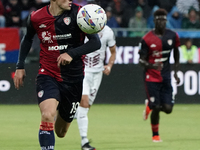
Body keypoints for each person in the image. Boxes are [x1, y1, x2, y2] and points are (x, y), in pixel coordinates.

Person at [13, 0, 101, 150]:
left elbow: (95, 43)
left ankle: (62, 108)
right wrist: (20, 66)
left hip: (74, 79)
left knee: (61, 132)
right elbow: (27, 38)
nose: (70, 1)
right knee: (47, 115)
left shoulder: (80, 13)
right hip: (48, 74)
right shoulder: (35, 17)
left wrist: (71, 54)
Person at [138, 8, 180, 142]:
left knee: (168, 109)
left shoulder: (173, 35)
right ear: (154, 21)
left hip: (166, 76)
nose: (162, 22)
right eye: (159, 19)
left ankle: (149, 105)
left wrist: (176, 72)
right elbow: (141, 60)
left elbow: (176, 53)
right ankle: (155, 135)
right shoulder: (147, 38)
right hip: (151, 77)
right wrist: (151, 65)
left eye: (164, 19)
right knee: (156, 106)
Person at [76, 24, 116, 150]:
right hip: (83, 70)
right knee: (84, 102)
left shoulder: (108, 32)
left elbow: (113, 51)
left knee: (86, 108)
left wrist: (109, 65)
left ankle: (68, 113)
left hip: (98, 73)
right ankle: (84, 141)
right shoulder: (81, 29)